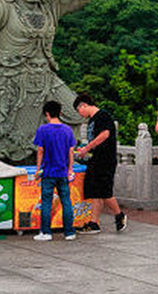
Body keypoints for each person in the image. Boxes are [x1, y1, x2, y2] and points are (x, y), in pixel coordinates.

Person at [31, 100, 78, 241]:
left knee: (46, 201)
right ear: (60, 113)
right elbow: (71, 151)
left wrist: (38, 169)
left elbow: (40, 150)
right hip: (63, 172)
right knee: (66, 201)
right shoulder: (68, 130)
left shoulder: (43, 130)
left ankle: (46, 232)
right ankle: (69, 232)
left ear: (47, 114)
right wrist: (70, 169)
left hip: (48, 172)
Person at [75, 95, 123, 232]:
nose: (80, 115)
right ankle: (94, 223)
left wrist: (87, 148)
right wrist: (84, 148)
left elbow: (105, 134)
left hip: (105, 159)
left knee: (104, 190)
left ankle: (119, 214)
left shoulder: (103, 116)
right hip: (95, 159)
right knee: (95, 190)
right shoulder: (93, 120)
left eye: (79, 111)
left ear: (83, 105)